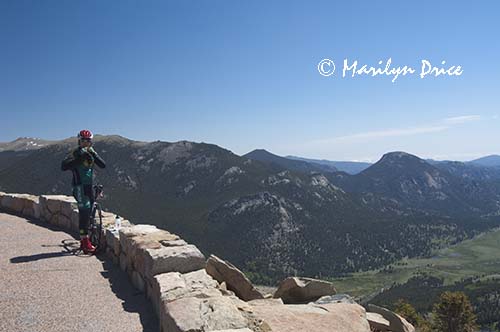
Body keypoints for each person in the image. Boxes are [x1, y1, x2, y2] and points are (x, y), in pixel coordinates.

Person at [61, 129, 106, 254]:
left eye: (88, 141)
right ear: (79, 141)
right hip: (79, 186)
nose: (86, 143)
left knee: (89, 212)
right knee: (84, 212)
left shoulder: (91, 152)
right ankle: (84, 242)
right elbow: (63, 166)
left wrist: (94, 155)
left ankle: (88, 237)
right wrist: (80, 159)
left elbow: (103, 165)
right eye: (83, 140)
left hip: (89, 186)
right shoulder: (75, 153)